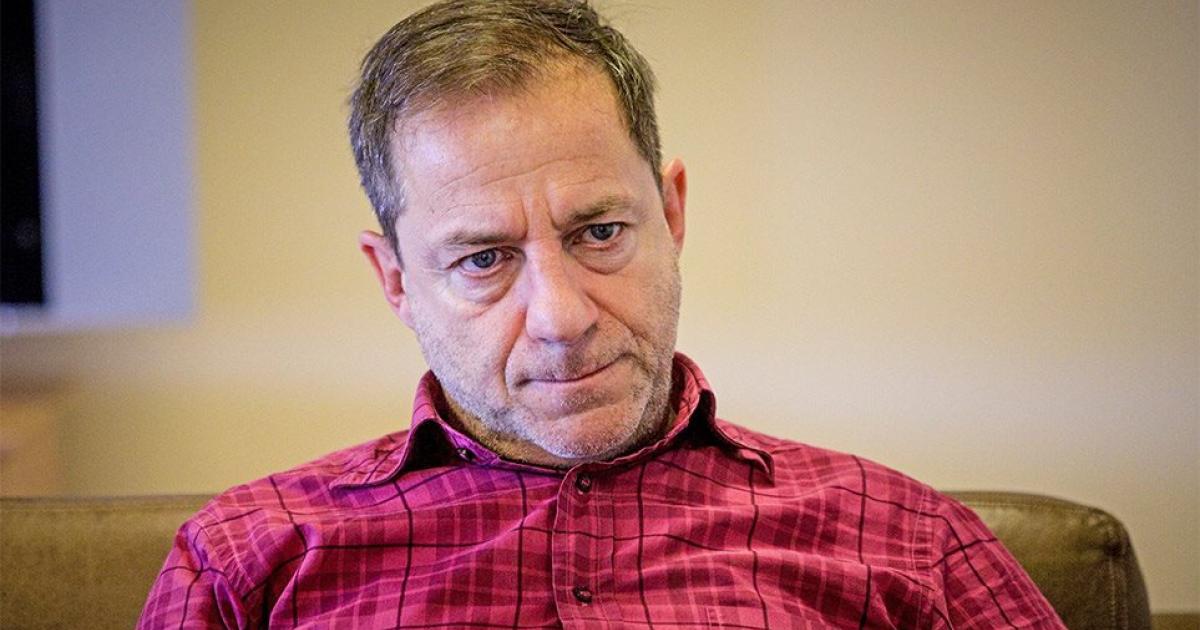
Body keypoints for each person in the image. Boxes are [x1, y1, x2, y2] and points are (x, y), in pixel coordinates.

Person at [139, 1, 1066, 627]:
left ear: (671, 212)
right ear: (396, 282)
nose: (561, 318)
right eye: (483, 259)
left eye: (599, 232)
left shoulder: (908, 540)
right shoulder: (246, 561)